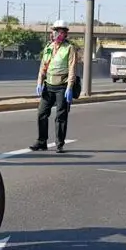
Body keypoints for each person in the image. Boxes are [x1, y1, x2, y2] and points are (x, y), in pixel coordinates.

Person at [30, 19, 78, 153]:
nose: (57, 34)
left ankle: (59, 143)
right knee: (41, 113)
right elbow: (43, 66)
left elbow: (72, 68)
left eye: (61, 32)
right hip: (48, 85)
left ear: (65, 34)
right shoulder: (48, 47)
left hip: (62, 86)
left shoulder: (69, 48)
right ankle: (41, 141)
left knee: (61, 116)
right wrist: (39, 82)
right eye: (56, 31)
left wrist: (69, 86)